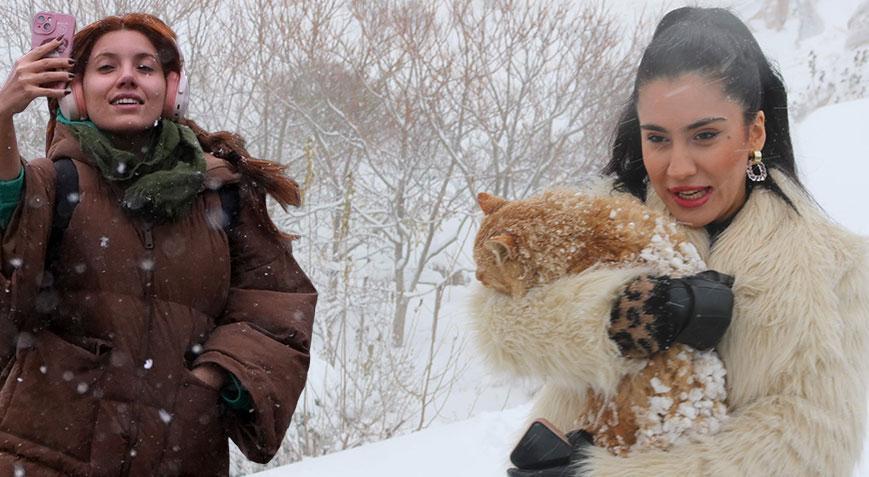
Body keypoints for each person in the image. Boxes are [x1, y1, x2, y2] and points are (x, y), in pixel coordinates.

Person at [470, 7, 869, 477]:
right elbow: (499, 317)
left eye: (705, 135)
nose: (678, 168)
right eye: (657, 138)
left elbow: (814, 445)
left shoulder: (838, 265)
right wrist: (616, 316)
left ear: (754, 130)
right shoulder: (605, 218)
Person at [0, 13, 316, 476]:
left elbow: (276, 304)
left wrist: (214, 379)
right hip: (43, 455)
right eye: (106, 67)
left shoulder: (222, 192)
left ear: (172, 90)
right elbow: (8, 248)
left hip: (181, 454)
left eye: (144, 67)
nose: (127, 76)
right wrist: (2, 116)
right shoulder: (50, 185)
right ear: (75, 93)